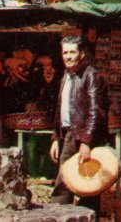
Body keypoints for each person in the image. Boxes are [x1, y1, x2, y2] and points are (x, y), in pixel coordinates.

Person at [49, 34, 109, 215]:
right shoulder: (66, 76)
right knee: (65, 181)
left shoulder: (91, 75)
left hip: (82, 136)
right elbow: (61, 109)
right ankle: (58, 217)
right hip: (68, 135)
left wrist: (86, 142)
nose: (67, 56)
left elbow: (95, 111)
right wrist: (55, 137)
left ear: (81, 54)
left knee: (87, 184)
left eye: (72, 52)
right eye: (65, 52)